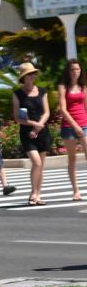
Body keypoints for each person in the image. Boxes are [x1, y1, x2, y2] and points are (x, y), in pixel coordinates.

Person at [13, 62, 50, 205]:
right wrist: (34, 125)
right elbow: (17, 117)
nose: (32, 76)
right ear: (23, 77)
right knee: (36, 162)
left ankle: (37, 194)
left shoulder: (42, 91)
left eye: (33, 73)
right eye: (29, 74)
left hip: (42, 131)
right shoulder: (17, 94)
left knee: (41, 165)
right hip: (27, 132)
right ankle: (33, 192)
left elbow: (47, 112)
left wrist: (40, 125)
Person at [58, 58, 87, 202]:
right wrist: (75, 126)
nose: (75, 72)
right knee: (72, 159)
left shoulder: (83, 86)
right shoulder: (63, 87)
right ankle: (76, 190)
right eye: (73, 69)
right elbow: (63, 109)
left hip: (84, 124)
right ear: (68, 72)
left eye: (77, 69)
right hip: (69, 126)